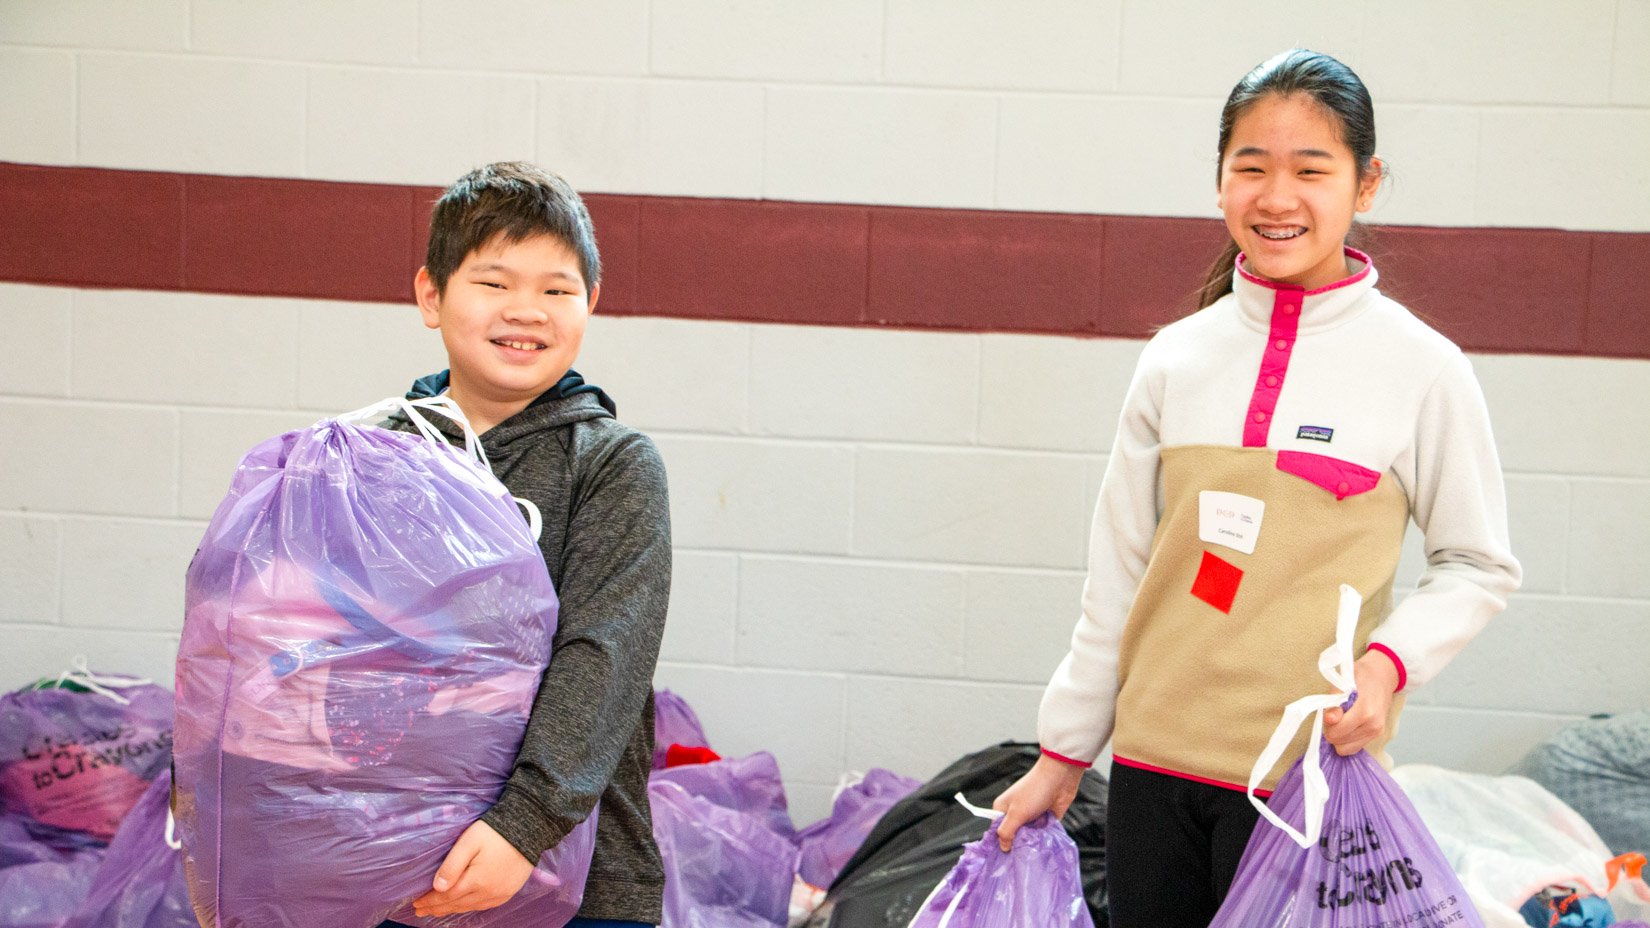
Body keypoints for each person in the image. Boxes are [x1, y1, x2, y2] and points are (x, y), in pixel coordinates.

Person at [990, 49, 1521, 927]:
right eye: (1252, 169)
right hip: (1152, 776)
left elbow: (1477, 563)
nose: (1278, 199)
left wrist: (1390, 667)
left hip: (1304, 780)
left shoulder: (1422, 368)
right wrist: (1066, 751)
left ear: (1367, 184)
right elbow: (1118, 577)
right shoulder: (1175, 358)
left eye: (1312, 170)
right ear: (1220, 182)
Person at [384, 161, 671, 927]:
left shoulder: (612, 464)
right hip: (387, 866)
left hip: (575, 877)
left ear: (590, 304)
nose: (527, 310)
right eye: (494, 282)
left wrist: (523, 827)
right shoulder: (368, 459)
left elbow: (603, 655)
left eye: (556, 289)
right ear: (430, 295)